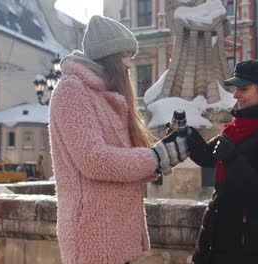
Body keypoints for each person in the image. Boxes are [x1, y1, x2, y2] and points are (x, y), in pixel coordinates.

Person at [48, 15, 188, 264]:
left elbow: (121, 160)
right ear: (108, 56)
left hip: (116, 232)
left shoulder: (107, 95)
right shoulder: (72, 90)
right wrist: (153, 158)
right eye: (124, 55)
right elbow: (94, 160)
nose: (128, 64)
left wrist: (161, 158)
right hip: (94, 235)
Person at [188, 60, 258, 264]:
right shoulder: (240, 125)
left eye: (243, 89)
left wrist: (232, 159)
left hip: (249, 245)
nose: (236, 95)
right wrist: (187, 135)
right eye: (236, 88)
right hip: (217, 237)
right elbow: (207, 156)